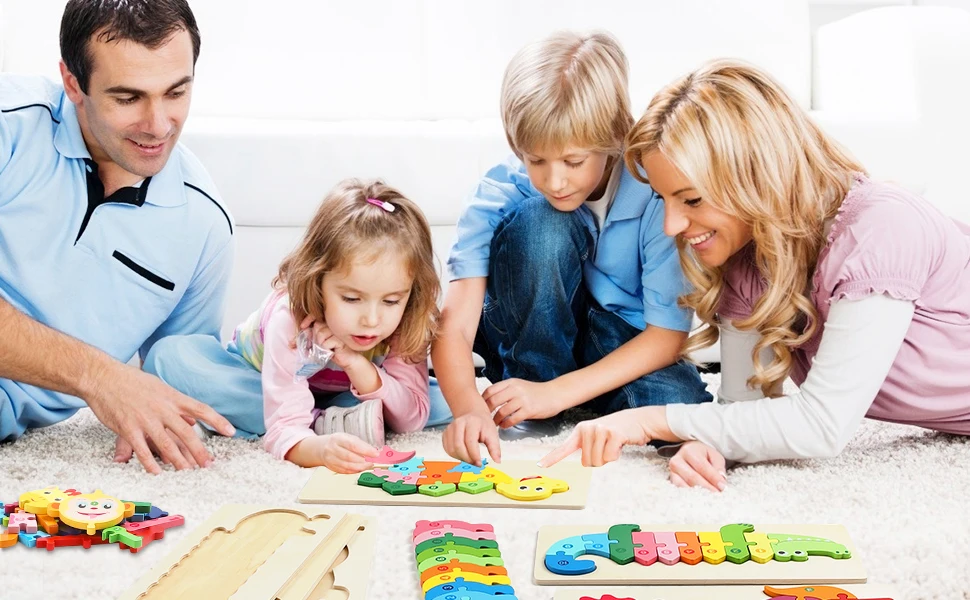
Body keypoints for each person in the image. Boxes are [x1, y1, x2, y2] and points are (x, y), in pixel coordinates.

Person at [540, 59, 970, 492]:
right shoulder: (747, 264)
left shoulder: (881, 230)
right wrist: (709, 442)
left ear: (756, 176)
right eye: (663, 199)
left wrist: (650, 420)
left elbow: (823, 424)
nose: (670, 225)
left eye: (691, 200)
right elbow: (741, 408)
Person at [433, 31, 712, 467]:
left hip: (618, 341)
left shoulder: (658, 190)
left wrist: (557, 394)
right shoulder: (501, 189)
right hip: (527, 335)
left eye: (573, 161)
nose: (555, 180)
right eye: (536, 160)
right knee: (542, 222)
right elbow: (455, 323)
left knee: (681, 405)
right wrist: (468, 407)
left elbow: (667, 335)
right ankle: (531, 393)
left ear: (614, 135)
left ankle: (571, 398)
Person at [0, 0, 236, 474]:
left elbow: (178, 374)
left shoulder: (204, 226)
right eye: (128, 98)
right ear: (73, 84)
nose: (158, 125)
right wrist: (101, 377)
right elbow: (110, 382)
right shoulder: (9, 126)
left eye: (176, 92)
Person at [145, 178, 449, 472]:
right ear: (316, 280)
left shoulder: (408, 317)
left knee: (450, 399)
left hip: (345, 391)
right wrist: (318, 449)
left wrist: (358, 366)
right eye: (351, 299)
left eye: (391, 301)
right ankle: (327, 422)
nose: (371, 320)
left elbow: (412, 420)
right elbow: (285, 423)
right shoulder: (289, 319)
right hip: (258, 381)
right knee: (169, 357)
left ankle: (329, 415)